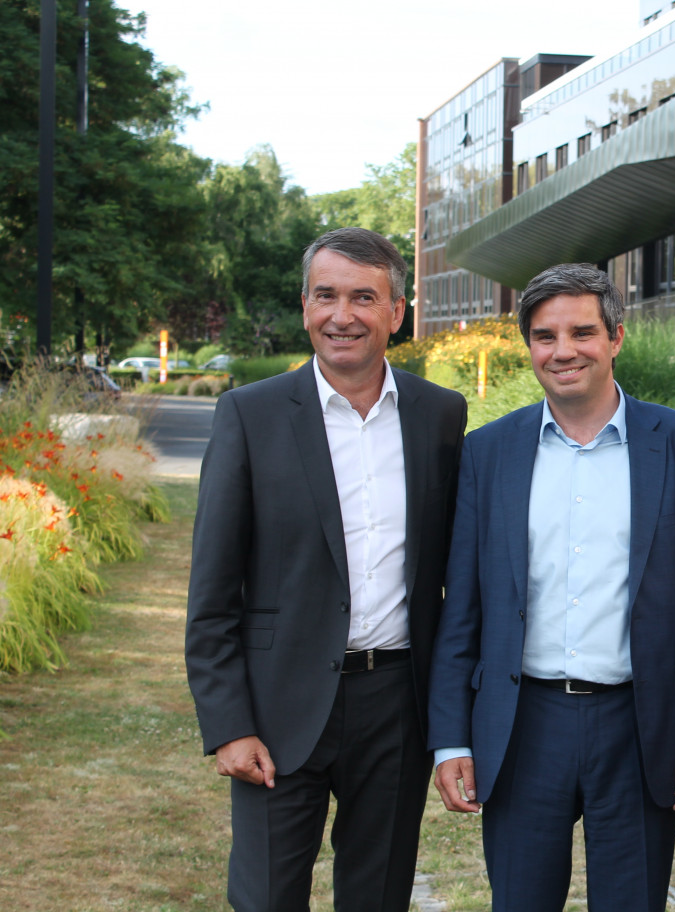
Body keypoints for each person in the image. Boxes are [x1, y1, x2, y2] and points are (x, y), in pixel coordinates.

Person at [426, 263, 675, 912]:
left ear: (616, 338)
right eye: (545, 336)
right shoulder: (489, 453)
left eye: (582, 332)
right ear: (530, 347)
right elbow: (462, 607)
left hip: (642, 724)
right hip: (521, 726)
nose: (563, 351)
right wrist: (452, 737)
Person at [185, 227, 467, 911]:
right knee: (268, 895)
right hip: (278, 707)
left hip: (396, 702)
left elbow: (452, 578)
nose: (343, 315)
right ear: (306, 305)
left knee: (378, 895)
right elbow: (213, 593)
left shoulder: (440, 416)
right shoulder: (248, 416)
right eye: (327, 296)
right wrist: (228, 724)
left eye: (364, 297)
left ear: (397, 313)